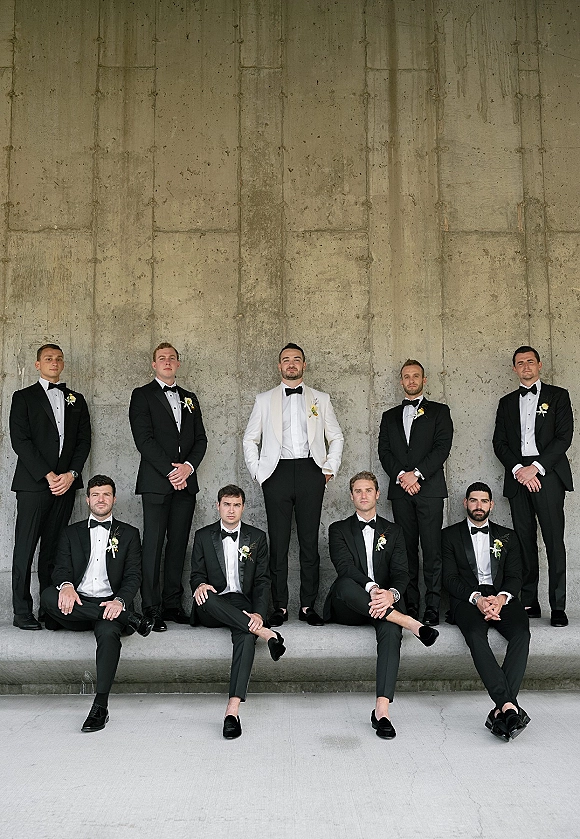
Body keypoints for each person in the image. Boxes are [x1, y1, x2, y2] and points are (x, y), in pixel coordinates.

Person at [324, 472, 438, 740]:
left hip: (384, 607)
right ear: (352, 496)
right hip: (350, 606)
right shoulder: (338, 529)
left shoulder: (394, 531)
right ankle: (410, 622)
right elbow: (346, 568)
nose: (363, 495)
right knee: (343, 583)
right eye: (358, 491)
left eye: (368, 490)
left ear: (377, 494)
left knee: (390, 630)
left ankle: (382, 711)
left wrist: (392, 594)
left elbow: (402, 573)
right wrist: (375, 589)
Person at [40, 475, 153, 732]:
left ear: (114, 499)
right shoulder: (70, 533)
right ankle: (129, 618)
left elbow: (134, 575)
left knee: (109, 631)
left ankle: (100, 706)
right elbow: (60, 569)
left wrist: (120, 601)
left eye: (106, 494)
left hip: (112, 604)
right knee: (49, 595)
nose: (100, 499)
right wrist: (66, 586)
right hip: (76, 604)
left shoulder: (129, 534)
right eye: (95, 494)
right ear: (88, 499)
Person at [243, 343, 344, 627]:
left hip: (312, 471)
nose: (291, 364)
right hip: (277, 473)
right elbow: (250, 439)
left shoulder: (320, 399)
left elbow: (336, 436)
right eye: (286, 360)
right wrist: (259, 473)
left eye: (296, 360)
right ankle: (280, 607)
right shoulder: (264, 399)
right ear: (279, 366)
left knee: (309, 543)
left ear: (304, 365)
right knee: (279, 544)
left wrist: (328, 469)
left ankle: (308, 606)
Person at [191, 484, 285, 738]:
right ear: (218, 506)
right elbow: (196, 575)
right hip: (212, 604)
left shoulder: (256, 537)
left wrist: (258, 614)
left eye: (236, 505)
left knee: (245, 635)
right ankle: (267, 633)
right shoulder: (202, 536)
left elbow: (263, 581)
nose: (231, 510)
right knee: (206, 597)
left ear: (243, 507)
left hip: (242, 606)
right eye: (226, 504)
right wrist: (200, 584)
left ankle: (232, 711)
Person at [10, 343, 91, 630]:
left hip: (66, 485)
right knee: (25, 549)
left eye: (58, 359)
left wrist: (71, 474)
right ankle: (22, 612)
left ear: (63, 364)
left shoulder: (76, 399)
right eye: (48, 358)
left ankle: (49, 609)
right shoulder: (23, 397)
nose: (53, 362)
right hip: (34, 485)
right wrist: (47, 474)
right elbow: (20, 440)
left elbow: (83, 442)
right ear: (37, 364)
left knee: (54, 551)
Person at [442, 482, 531, 741]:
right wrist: (477, 599)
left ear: (491, 504)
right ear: (465, 503)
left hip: (503, 596)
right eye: (473, 500)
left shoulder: (508, 536)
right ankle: (509, 707)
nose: (478, 505)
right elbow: (448, 578)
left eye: (483, 501)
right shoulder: (449, 536)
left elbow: (515, 576)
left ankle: (502, 707)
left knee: (521, 635)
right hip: (467, 598)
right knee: (475, 635)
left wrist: (500, 600)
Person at [493, 345, 573, 627]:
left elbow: (564, 438)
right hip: (518, 477)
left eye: (530, 361)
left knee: (553, 542)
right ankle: (529, 601)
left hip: (548, 475)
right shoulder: (506, 402)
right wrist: (519, 470)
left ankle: (558, 605)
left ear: (539, 365)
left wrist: (535, 469)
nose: (525, 366)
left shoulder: (558, 396)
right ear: (514, 369)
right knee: (524, 543)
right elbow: (499, 443)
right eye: (520, 363)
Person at [129, 342, 207, 631]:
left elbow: (201, 440)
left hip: (186, 483)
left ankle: (173, 605)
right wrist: (170, 471)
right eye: (161, 358)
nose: (167, 361)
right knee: (153, 545)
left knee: (177, 545)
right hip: (156, 483)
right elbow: (143, 439)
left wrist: (187, 468)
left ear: (178, 363)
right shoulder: (141, 395)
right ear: (154, 364)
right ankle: (151, 608)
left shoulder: (190, 398)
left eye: (171, 358)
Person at [378, 359, 453, 625]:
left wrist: (417, 474)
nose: (411, 380)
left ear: (424, 380)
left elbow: (442, 447)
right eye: (407, 376)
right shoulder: (388, 417)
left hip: (429, 490)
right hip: (401, 492)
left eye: (416, 376)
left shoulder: (440, 412)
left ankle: (432, 607)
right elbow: (384, 452)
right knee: (405, 552)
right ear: (401, 382)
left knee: (432, 550)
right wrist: (402, 477)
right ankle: (410, 604)